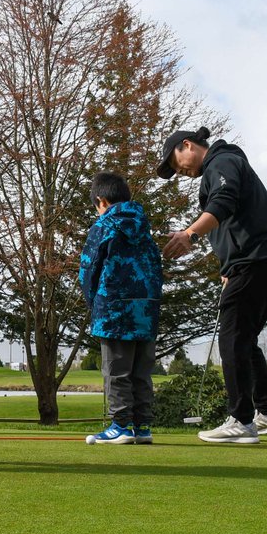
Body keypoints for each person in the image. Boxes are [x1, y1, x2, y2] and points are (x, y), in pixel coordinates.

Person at [158, 126, 267, 443]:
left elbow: (223, 202)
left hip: (256, 262)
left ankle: (241, 420)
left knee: (232, 338)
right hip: (262, 263)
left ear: (187, 145)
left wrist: (190, 234)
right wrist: (227, 267)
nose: (182, 172)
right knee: (243, 339)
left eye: (178, 164)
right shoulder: (223, 165)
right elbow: (233, 223)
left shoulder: (222, 161)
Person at [79, 172, 163, 444]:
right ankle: (143, 427)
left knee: (116, 370)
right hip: (146, 311)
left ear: (101, 201)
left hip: (114, 308)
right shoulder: (144, 227)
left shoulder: (104, 226)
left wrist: (93, 303)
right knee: (141, 371)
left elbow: (89, 268)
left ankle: (121, 425)